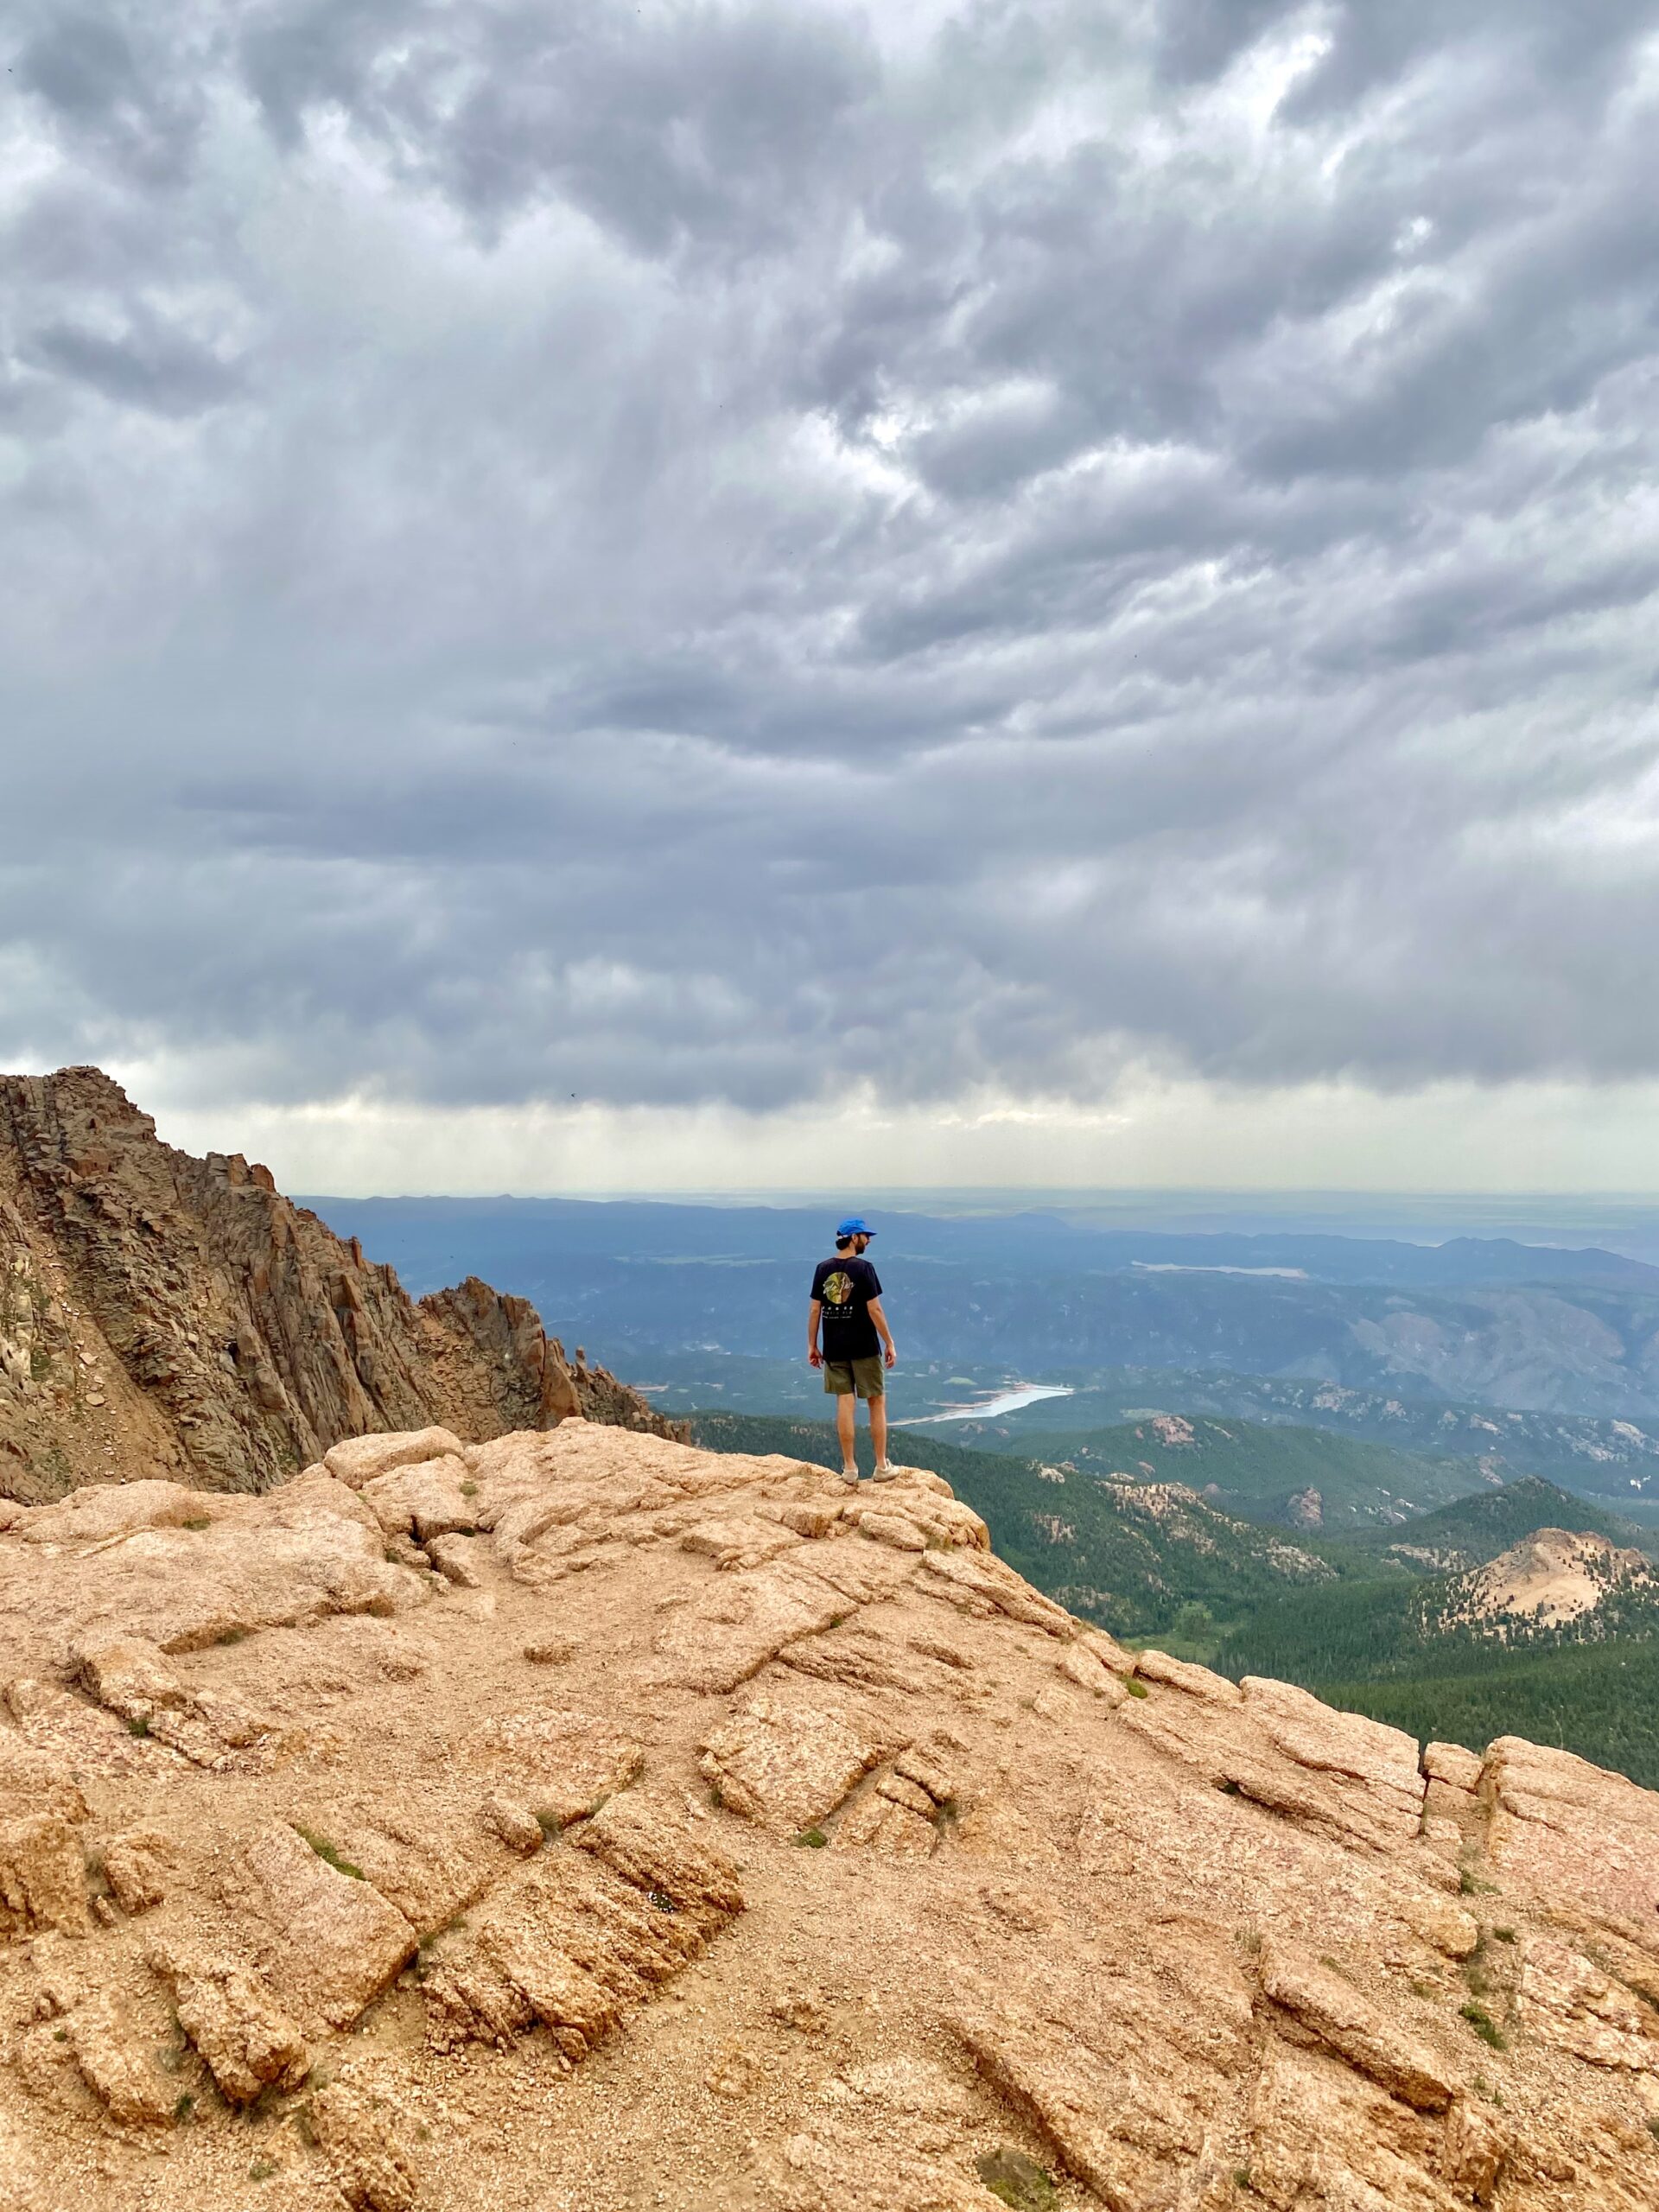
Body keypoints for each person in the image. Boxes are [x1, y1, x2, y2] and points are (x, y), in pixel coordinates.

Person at [807, 1217, 898, 1484]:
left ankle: (849, 1468)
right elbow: (875, 1309)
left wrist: (812, 1345)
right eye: (865, 1236)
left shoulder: (822, 1269)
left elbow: (815, 1310)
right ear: (853, 1237)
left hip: (834, 1347)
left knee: (844, 1403)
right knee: (876, 1402)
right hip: (864, 1347)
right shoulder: (864, 1269)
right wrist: (889, 1342)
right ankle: (881, 1466)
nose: (868, 1240)